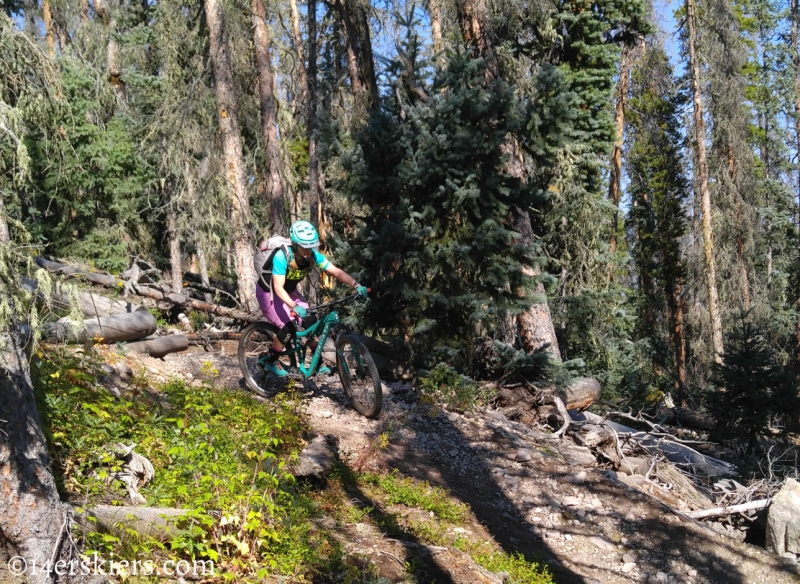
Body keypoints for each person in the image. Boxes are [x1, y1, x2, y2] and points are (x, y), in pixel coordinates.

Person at [256, 220, 368, 377]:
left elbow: (335, 271)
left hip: (289, 291)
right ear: (295, 244)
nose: (308, 250)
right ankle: (271, 360)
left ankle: (318, 364)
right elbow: (278, 288)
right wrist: (293, 306)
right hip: (269, 293)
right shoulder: (282, 256)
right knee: (289, 326)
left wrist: (356, 284)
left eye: (311, 246)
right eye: (304, 246)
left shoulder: (312, 256)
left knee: (310, 322)